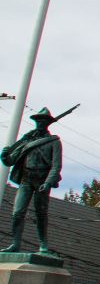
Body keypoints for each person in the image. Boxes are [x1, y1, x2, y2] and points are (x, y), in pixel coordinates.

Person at [3, 108, 64, 254]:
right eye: (38, 120)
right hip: (26, 179)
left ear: (48, 123)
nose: (40, 122)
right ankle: (15, 244)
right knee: (17, 212)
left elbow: (56, 166)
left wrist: (48, 182)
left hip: (42, 180)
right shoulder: (27, 140)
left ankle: (43, 244)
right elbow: (12, 160)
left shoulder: (54, 142)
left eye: (43, 120)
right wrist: (5, 156)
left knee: (41, 213)